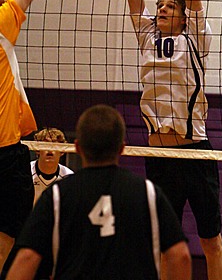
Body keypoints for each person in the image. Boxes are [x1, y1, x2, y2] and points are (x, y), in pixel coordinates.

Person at [108, 0, 222, 280]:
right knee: (167, 245)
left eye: (169, 7)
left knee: (211, 242)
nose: (161, 10)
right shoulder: (146, 35)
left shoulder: (195, 36)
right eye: (159, 5)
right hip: (158, 154)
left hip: (194, 151)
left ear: (182, 15)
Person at [6, 104, 192, 280]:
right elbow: (181, 256)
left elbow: (27, 257)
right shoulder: (148, 192)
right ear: (121, 149)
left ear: (77, 148)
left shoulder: (58, 195)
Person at [0, 0, 41, 274]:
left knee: (12, 238)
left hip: (9, 149)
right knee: (12, 237)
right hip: (6, 152)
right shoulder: (1, 23)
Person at [31, 128, 74, 205]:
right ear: (37, 149)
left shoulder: (69, 176)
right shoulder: (25, 172)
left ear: (62, 151)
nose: (50, 150)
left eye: (54, 146)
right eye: (45, 145)